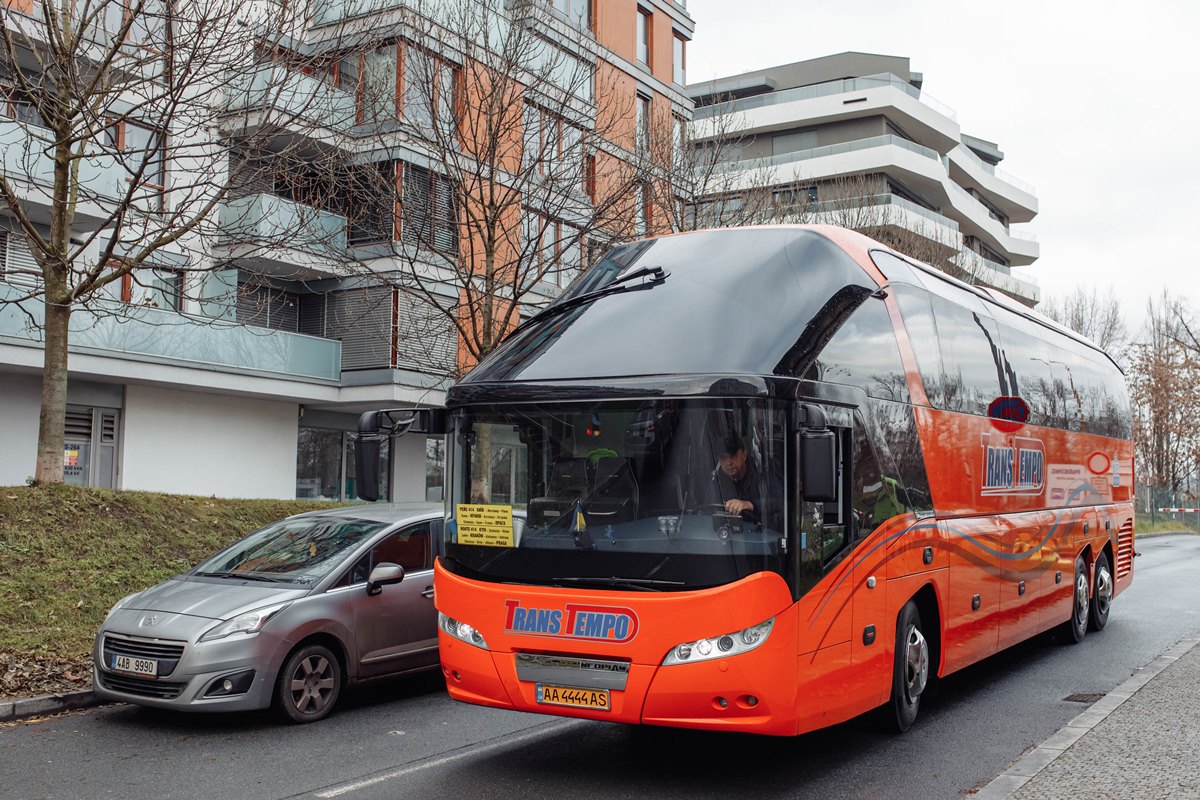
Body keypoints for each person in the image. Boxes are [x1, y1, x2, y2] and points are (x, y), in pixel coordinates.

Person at [709, 434, 768, 524]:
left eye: (733, 457)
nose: (728, 463)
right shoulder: (716, 482)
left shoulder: (761, 474)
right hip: (726, 534)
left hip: (759, 533)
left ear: (744, 455)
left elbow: (780, 502)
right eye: (723, 458)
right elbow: (705, 511)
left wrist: (749, 504)